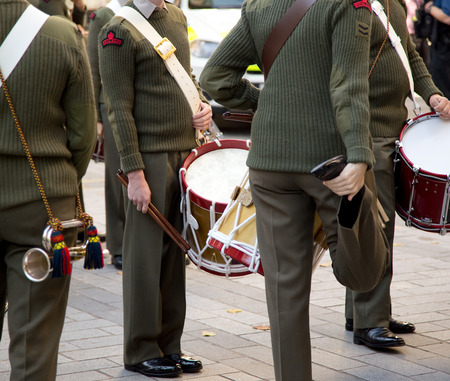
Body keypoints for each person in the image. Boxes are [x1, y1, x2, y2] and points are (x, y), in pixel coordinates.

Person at [199, 0, 389, 379]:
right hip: (332, 162)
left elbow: (214, 77)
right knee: (365, 270)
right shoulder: (348, 4)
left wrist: (267, 104)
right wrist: (359, 154)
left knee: (284, 291)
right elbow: (348, 82)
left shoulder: (259, 4)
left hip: (269, 164)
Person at [98, 0, 212, 377]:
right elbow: (118, 106)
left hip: (183, 152)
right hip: (148, 158)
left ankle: (170, 345)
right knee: (145, 259)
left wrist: (202, 104)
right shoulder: (117, 31)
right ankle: (141, 349)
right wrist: (134, 173)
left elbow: (185, 77)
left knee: (174, 257)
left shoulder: (176, 17)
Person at [344, 0, 450, 350]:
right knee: (374, 228)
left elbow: (410, 56)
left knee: (379, 227)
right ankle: (368, 321)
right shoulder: (351, 6)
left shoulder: (390, 3)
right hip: (366, 131)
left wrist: (432, 92)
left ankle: (364, 312)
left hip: (391, 125)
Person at [0, 0, 96, 379]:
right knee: (33, 341)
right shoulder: (61, 33)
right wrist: (62, 178)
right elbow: (83, 134)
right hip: (43, 205)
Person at [87, 0, 127, 270]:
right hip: (109, 104)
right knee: (116, 176)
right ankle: (118, 245)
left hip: (137, 105)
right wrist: (97, 118)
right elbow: (92, 68)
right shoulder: (105, 14)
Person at [424, 0, 450, 98]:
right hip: (441, 42)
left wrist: (429, 8)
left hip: (444, 44)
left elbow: (447, 17)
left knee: (442, 90)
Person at [405, 0, 431, 68]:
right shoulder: (406, 2)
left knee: (426, 59)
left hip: (421, 32)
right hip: (410, 32)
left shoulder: (419, 1)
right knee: (414, 57)